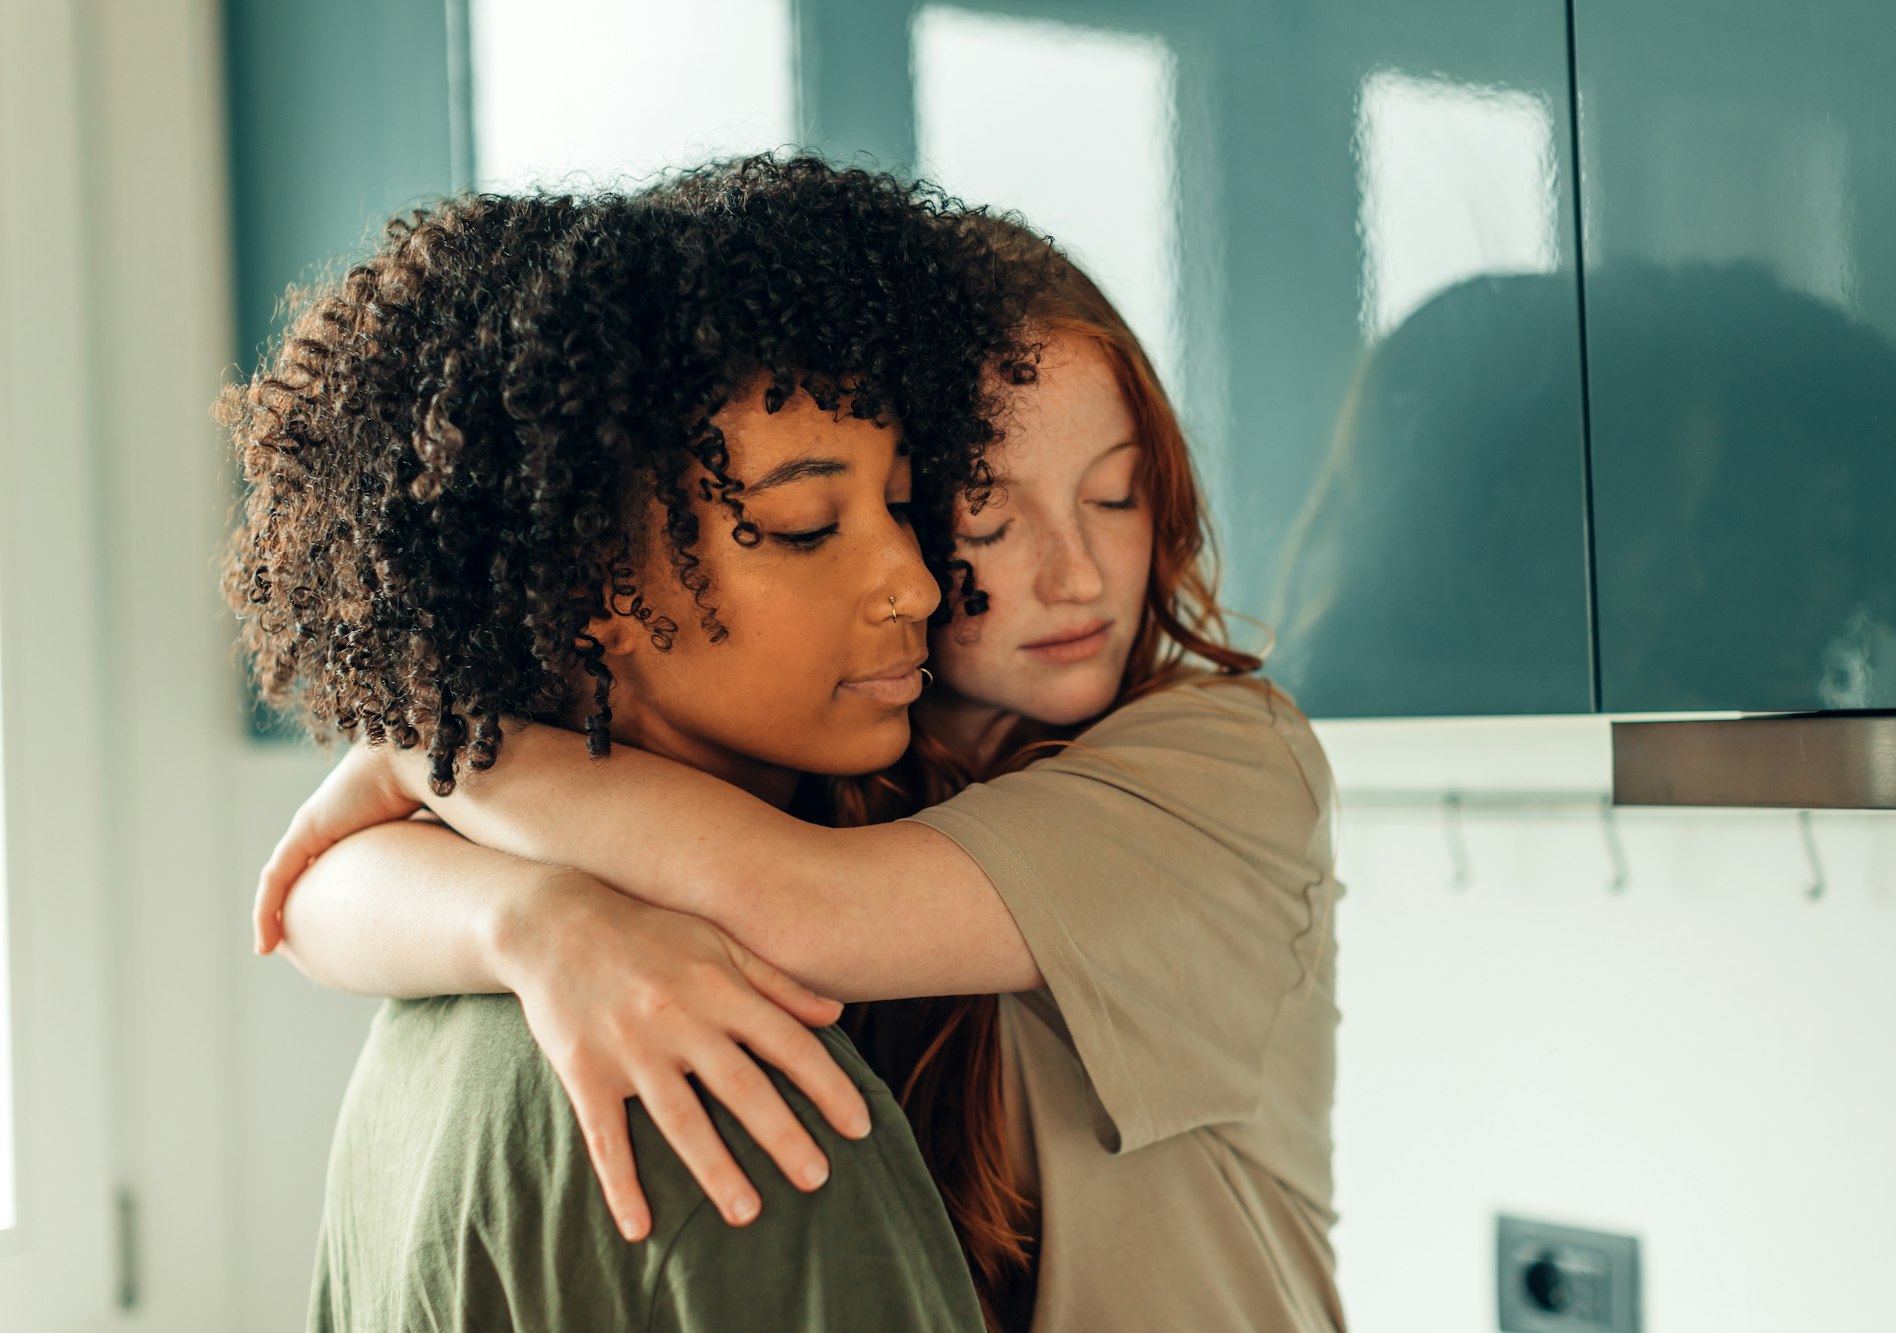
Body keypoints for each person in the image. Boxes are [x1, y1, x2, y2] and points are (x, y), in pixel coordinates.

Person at [261, 220, 1347, 1332]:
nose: (1075, 574)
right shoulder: (815, 771)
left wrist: (446, 751)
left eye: (1116, 497)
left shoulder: (1228, 767)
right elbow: (303, 904)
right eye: (984, 518)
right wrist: (535, 922)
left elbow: (807, 904)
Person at [221, 154, 1042, 1331]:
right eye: (804, 526)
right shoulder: (730, 1101)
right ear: (583, 583)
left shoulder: (428, 1031)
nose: (912, 583)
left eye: (902, 505)